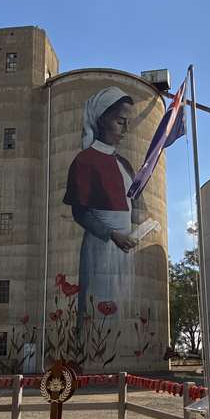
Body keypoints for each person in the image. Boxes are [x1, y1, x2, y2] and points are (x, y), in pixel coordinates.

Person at [63, 86, 143, 327]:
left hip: (125, 247)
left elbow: (137, 204)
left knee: (123, 309)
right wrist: (111, 234)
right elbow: (80, 210)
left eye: (128, 123)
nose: (126, 129)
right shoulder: (85, 160)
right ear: (102, 120)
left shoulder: (125, 164)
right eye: (120, 121)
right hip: (101, 248)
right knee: (98, 309)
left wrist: (140, 228)